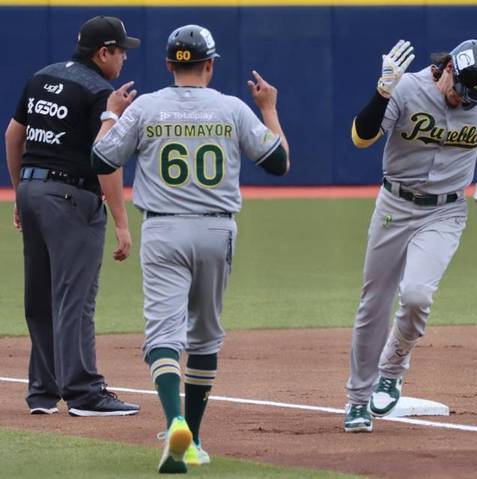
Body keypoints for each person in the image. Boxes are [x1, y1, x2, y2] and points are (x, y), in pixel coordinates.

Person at [91, 24, 289, 473]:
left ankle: (174, 421)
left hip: (163, 231)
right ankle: (194, 438)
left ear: (168, 65)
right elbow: (278, 162)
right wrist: (270, 109)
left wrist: (110, 113)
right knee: (204, 336)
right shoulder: (232, 108)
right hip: (216, 230)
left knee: (163, 336)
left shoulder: (146, 107)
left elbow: (101, 160)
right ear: (210, 65)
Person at [343, 39, 477, 432]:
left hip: (446, 212)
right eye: (460, 92)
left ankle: (392, 370)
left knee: (416, 295)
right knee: (374, 304)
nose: (464, 102)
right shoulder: (406, 89)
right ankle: (358, 400)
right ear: (448, 68)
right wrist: (382, 92)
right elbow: (361, 138)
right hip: (394, 207)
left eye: (473, 98)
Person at [4, 15, 141, 417]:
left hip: (33, 190)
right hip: (70, 197)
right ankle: (84, 393)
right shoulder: (101, 91)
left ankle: (43, 392)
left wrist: (19, 191)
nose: (124, 60)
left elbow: (14, 135)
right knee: (75, 300)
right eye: (121, 52)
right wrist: (120, 220)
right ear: (103, 53)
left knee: (42, 298)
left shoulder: (41, 77)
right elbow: (107, 157)